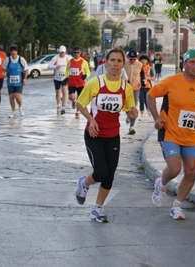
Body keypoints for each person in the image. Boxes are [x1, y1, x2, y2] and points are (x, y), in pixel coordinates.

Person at [147, 50, 195, 220]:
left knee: (192, 172)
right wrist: (156, 117)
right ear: (184, 64)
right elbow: (150, 95)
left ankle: (176, 205)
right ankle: (161, 184)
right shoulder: (171, 81)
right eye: (192, 62)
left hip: (190, 135)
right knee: (174, 168)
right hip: (169, 132)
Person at [74, 47, 138, 222]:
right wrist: (91, 120)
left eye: (119, 61)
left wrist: (132, 114)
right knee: (101, 172)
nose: (115, 64)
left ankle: (98, 208)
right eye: (112, 60)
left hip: (113, 135)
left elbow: (129, 110)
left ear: (123, 64)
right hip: (94, 134)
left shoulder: (126, 87)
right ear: (106, 62)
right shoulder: (96, 83)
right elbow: (80, 104)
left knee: (110, 175)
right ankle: (84, 183)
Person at [2, 45, 28, 118]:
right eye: (12, 51)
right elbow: (4, 68)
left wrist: (25, 79)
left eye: (14, 51)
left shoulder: (21, 59)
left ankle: (20, 107)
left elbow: (26, 69)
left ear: (17, 52)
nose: (13, 52)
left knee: (17, 96)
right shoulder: (8, 59)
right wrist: (4, 72)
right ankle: (13, 112)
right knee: (11, 96)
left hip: (19, 81)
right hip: (10, 81)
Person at [65, 46, 91, 119]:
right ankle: (73, 101)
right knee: (71, 97)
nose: (76, 54)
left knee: (80, 99)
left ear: (80, 53)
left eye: (77, 53)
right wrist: (66, 77)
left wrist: (86, 75)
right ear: (73, 53)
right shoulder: (70, 61)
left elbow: (88, 72)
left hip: (80, 83)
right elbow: (67, 70)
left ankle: (77, 112)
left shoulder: (83, 62)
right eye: (75, 53)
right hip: (72, 83)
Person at [48, 45, 72, 115]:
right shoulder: (55, 58)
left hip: (65, 77)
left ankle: (63, 107)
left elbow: (73, 64)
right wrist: (55, 66)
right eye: (61, 52)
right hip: (57, 78)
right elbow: (49, 66)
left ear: (65, 52)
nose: (62, 54)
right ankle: (58, 105)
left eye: (63, 52)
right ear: (59, 52)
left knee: (64, 91)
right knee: (58, 93)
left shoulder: (68, 58)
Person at [124, 50, 143, 134]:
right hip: (125, 88)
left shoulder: (139, 65)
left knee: (134, 106)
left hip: (136, 87)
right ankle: (128, 115)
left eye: (134, 59)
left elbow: (142, 74)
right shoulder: (124, 64)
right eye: (131, 59)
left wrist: (142, 81)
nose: (132, 61)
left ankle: (132, 127)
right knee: (125, 104)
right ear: (128, 58)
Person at [139, 55, 155, 121]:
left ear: (147, 61)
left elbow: (153, 78)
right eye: (142, 60)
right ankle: (142, 115)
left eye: (145, 60)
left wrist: (147, 78)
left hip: (148, 86)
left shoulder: (149, 68)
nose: (143, 61)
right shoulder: (138, 68)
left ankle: (149, 111)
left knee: (147, 101)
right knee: (141, 100)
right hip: (140, 87)